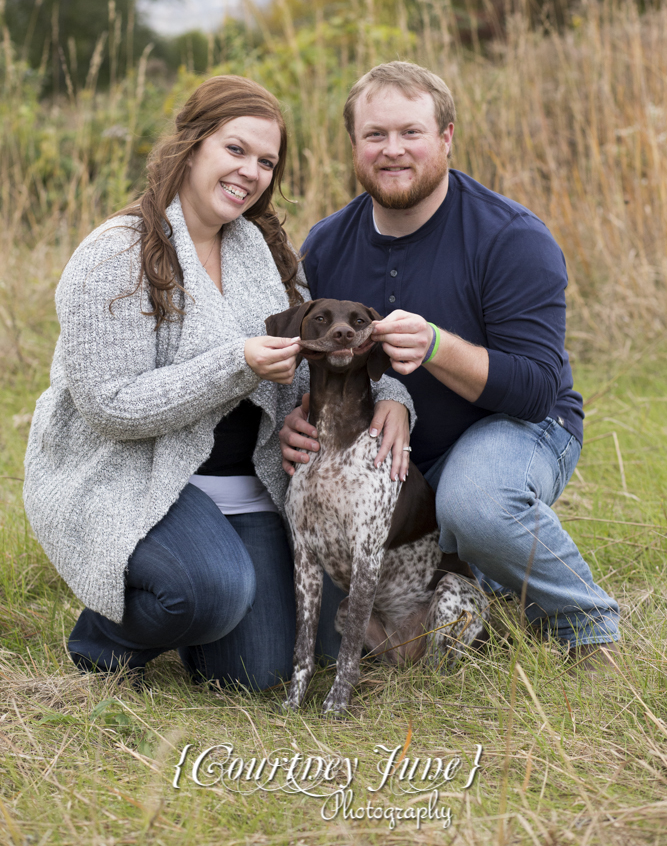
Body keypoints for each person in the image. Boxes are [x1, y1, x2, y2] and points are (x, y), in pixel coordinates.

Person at [23, 74, 412, 690]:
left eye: (266, 161)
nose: (250, 172)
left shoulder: (262, 250)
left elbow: (327, 341)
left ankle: (205, 611)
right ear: (192, 144)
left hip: (245, 485)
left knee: (258, 675)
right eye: (235, 150)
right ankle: (105, 638)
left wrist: (392, 396)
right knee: (208, 591)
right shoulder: (117, 253)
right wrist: (238, 364)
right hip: (134, 478)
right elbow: (109, 407)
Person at [280, 61, 620, 669]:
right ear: (354, 146)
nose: (392, 151)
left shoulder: (511, 237)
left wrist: (437, 346)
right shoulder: (326, 244)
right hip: (394, 458)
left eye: (411, 132)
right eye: (374, 135)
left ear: (446, 138)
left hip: (517, 429)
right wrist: (297, 418)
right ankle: (490, 587)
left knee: (475, 501)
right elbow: (310, 362)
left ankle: (585, 622)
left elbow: (538, 391)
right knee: (329, 614)